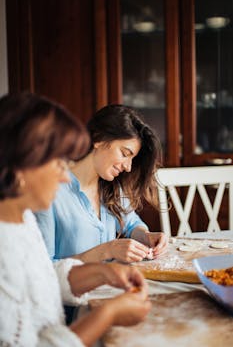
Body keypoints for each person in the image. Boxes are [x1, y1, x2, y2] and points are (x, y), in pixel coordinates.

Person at [0, 93, 151, 347]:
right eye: (58, 163)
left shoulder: (20, 220)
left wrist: (106, 272)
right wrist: (107, 314)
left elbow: (45, 278)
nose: (65, 177)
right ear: (21, 166)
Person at [35, 104, 168, 263]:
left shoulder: (111, 187)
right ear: (99, 139)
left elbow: (132, 224)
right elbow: (44, 269)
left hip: (110, 284)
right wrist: (107, 250)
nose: (128, 167)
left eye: (132, 159)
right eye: (125, 154)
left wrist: (146, 237)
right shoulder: (49, 193)